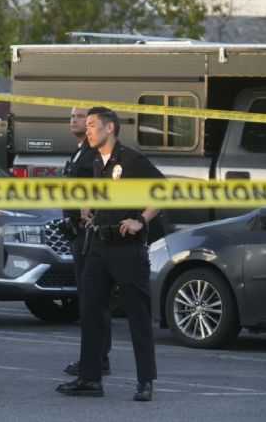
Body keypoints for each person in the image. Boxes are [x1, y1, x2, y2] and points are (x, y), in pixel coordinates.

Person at [56, 107, 163, 402]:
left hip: (127, 248)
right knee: (90, 312)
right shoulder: (97, 162)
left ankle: (145, 382)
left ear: (110, 128)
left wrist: (140, 220)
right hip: (98, 248)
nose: (87, 130)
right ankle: (90, 379)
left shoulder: (131, 159)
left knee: (137, 316)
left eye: (92, 125)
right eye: (86, 125)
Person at [59, 107, 111, 378]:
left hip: (88, 234)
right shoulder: (79, 151)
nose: (76, 121)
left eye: (83, 118)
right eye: (74, 117)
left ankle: (97, 358)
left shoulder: (93, 154)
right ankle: (94, 356)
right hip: (75, 234)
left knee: (92, 299)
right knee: (86, 299)